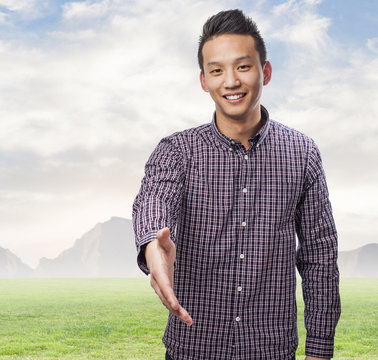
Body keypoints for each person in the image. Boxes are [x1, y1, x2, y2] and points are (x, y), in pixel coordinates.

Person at [133, 9, 341, 360]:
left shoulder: (302, 152)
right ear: (204, 80)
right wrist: (154, 248)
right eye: (217, 70)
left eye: (243, 66)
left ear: (266, 71)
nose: (230, 81)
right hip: (193, 348)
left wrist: (319, 350)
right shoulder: (177, 151)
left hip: (272, 350)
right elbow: (153, 199)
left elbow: (320, 255)